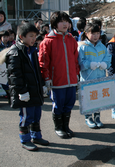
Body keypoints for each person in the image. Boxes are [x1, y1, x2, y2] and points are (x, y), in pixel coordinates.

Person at [4, 23, 49, 151]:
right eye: (31, 36)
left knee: (36, 115)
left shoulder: (32, 50)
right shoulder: (15, 52)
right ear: (21, 36)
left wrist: (42, 85)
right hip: (24, 93)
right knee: (26, 117)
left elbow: (37, 70)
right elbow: (15, 76)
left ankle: (36, 136)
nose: (34, 39)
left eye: (35, 36)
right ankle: (25, 140)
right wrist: (22, 91)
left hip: (35, 90)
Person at [39, 11, 79, 139]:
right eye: (61, 21)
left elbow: (75, 59)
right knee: (58, 104)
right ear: (55, 24)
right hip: (57, 80)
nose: (65, 24)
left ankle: (66, 126)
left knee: (70, 102)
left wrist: (76, 74)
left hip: (71, 79)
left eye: (67, 21)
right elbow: (44, 62)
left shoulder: (72, 40)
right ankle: (58, 127)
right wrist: (46, 78)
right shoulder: (47, 41)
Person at [78, 23, 111, 128]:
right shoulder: (83, 47)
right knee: (88, 98)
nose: (96, 36)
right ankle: (88, 117)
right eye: (93, 33)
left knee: (98, 99)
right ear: (86, 33)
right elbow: (79, 62)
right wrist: (88, 65)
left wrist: (105, 64)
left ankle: (97, 117)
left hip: (100, 77)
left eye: (97, 33)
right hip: (88, 78)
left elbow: (108, 57)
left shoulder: (102, 46)